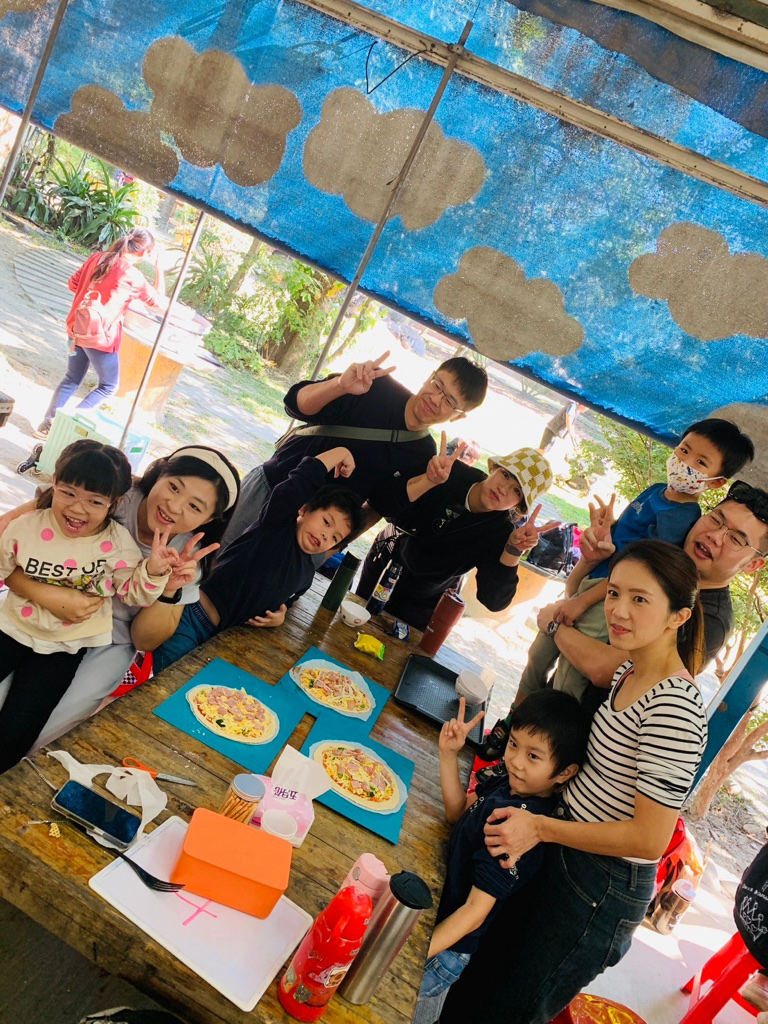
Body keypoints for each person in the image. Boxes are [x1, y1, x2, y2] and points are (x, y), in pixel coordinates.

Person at [441, 539, 709, 1023]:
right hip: (565, 850)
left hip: (600, 886)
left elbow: (649, 839)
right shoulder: (629, 669)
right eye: (615, 593)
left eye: (640, 599)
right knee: (477, 986)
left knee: (507, 1009)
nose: (618, 610)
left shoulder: (675, 708)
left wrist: (540, 828)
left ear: (679, 617)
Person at [511, 418, 754, 718]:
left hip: (609, 595)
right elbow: (611, 546)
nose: (685, 463)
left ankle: (549, 726)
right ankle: (514, 717)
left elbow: (639, 574)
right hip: (594, 581)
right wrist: (596, 548)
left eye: (701, 462)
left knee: (569, 676)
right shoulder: (655, 491)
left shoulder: (682, 519)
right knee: (538, 653)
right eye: (684, 450)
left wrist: (579, 604)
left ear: (715, 482)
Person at [0, 445, 241, 748]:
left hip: (110, 638)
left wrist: (169, 588)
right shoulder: (108, 493)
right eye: (174, 487)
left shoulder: (188, 558)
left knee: (43, 727)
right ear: (159, 473)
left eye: (195, 506)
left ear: (208, 519)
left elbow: (144, 641)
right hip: (32, 607)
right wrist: (48, 596)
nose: (174, 506)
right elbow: (10, 539)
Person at [413, 689, 589, 1024]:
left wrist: (412, 951)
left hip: (444, 951)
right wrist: (448, 754)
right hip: (437, 924)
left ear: (565, 772)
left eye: (533, 756)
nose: (516, 761)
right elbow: (456, 813)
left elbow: (474, 913)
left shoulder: (514, 829)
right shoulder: (508, 784)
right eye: (514, 744)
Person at [0, 440, 176, 772]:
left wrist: (154, 571)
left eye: (95, 501)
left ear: (114, 503)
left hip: (65, 646)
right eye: (68, 493)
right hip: (10, 626)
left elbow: (134, 595)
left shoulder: (118, 545)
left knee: (22, 722)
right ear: (54, 483)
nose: (78, 509)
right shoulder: (26, 527)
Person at [221, 353, 488, 546]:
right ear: (430, 376)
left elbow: (379, 506)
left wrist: (429, 481)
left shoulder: (424, 454)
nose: (435, 399)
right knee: (209, 560)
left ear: (458, 417)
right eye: (437, 385)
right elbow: (296, 405)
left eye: (449, 401)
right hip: (272, 488)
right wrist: (339, 386)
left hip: (319, 532)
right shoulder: (375, 384)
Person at [151, 448, 366, 672]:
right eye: (326, 522)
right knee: (166, 679)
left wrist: (280, 616)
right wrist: (341, 452)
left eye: (335, 538)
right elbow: (304, 478)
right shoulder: (276, 524)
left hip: (224, 640)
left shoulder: (307, 574)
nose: (325, 535)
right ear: (303, 509)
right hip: (193, 617)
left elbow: (289, 601)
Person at [356, 437, 557, 630]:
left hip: (426, 598)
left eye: (517, 491)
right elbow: (385, 504)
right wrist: (427, 481)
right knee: (354, 621)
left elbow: (494, 601)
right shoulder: (449, 473)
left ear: (518, 505)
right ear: (495, 468)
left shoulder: (501, 532)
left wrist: (513, 550)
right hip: (387, 560)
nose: (503, 489)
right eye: (506, 475)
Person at [34, 228, 165, 439]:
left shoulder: (97, 258)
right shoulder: (133, 276)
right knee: (109, 386)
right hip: (100, 340)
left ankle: (47, 424)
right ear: (144, 253)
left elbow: (72, 284)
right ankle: (64, 426)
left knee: (71, 378)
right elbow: (158, 302)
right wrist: (160, 269)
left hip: (75, 330)